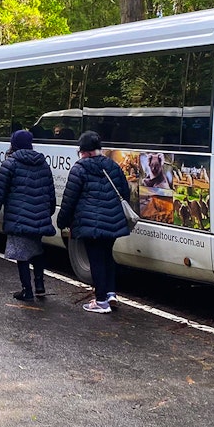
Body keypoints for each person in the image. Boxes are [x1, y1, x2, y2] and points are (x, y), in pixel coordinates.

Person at [56, 131, 130, 314]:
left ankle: (101, 301)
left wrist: (62, 221)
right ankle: (111, 294)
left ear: (84, 151)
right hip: (113, 222)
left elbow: (69, 199)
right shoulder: (112, 165)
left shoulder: (79, 168)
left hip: (90, 223)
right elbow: (125, 193)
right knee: (107, 257)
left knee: (96, 259)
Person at [0, 130, 56, 301]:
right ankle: (40, 285)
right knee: (37, 250)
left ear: (14, 144)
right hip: (39, 215)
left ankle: (27, 290)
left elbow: (0, 193)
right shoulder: (43, 163)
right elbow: (51, 192)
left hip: (18, 216)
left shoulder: (10, 164)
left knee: (21, 254)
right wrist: (48, 212)